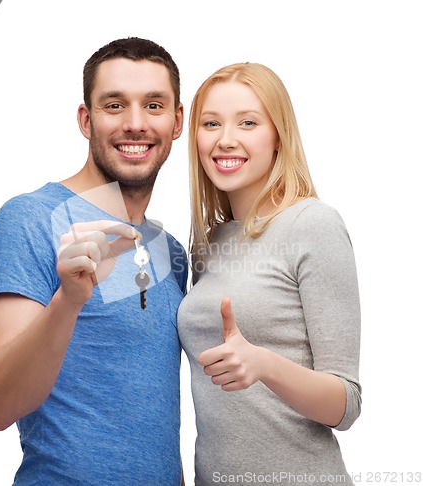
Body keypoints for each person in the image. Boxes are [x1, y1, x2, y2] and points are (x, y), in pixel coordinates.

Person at [0, 37, 188, 485]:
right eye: (114, 106)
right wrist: (68, 300)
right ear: (85, 120)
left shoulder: (172, 253)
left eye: (154, 106)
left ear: (177, 121)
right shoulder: (30, 219)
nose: (135, 124)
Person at [178, 63, 361, 485]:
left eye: (248, 122)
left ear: (278, 135)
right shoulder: (209, 244)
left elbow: (346, 404)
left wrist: (265, 364)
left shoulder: (313, 225)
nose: (226, 139)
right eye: (211, 123)